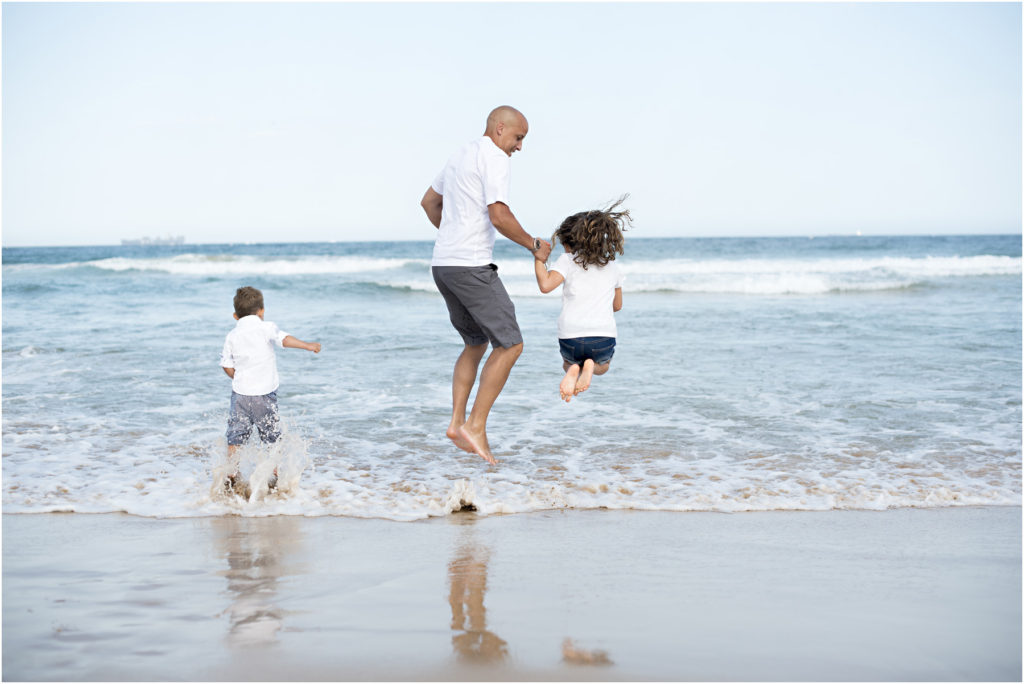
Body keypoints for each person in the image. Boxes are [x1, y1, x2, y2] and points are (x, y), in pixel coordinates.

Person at [420, 105, 552, 465]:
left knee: (475, 343)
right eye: (518, 137)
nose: (519, 147)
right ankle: (475, 426)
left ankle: (455, 423)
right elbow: (500, 215)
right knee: (511, 345)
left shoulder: (460, 154)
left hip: (443, 265)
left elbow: (429, 202)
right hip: (471, 267)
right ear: (499, 129)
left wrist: (454, 236)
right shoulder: (495, 157)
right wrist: (534, 245)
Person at [220, 286, 321, 493]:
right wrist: (307, 345)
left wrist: (236, 376)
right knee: (271, 436)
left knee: (235, 437)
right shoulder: (266, 328)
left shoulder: (232, 335)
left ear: (235, 315)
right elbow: (284, 340)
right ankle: (273, 475)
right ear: (262, 311)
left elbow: (226, 365)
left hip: (240, 395)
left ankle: (231, 475)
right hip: (264, 395)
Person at [534, 197, 629, 402]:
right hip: (602, 336)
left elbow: (545, 286)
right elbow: (617, 306)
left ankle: (573, 368)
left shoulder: (567, 260)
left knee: (567, 363)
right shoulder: (612, 267)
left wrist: (539, 260)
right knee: (603, 367)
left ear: (569, 243)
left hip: (571, 336)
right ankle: (590, 368)